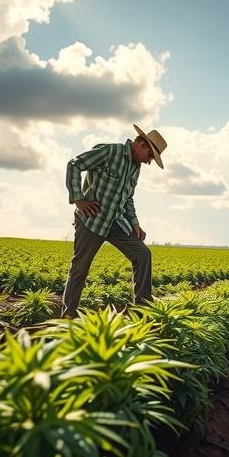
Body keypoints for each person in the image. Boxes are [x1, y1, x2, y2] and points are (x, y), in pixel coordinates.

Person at [61, 124, 168, 318]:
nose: (149, 162)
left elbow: (127, 198)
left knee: (143, 254)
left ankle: (142, 314)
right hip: (92, 221)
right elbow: (74, 164)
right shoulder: (110, 152)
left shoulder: (136, 168)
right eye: (150, 156)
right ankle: (68, 317)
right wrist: (78, 199)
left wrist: (135, 223)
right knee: (80, 268)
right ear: (142, 144)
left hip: (116, 223)